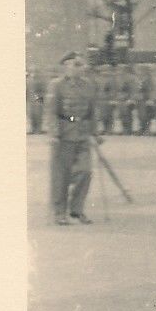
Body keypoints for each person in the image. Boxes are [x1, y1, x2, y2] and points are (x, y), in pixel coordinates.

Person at [47, 51, 101, 225]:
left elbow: (92, 111)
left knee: (85, 171)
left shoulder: (88, 85)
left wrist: (95, 133)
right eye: (76, 65)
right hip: (64, 134)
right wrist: (54, 134)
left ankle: (76, 209)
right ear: (66, 66)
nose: (80, 68)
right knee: (61, 175)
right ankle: (59, 212)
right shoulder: (56, 85)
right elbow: (52, 112)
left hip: (82, 133)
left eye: (81, 65)